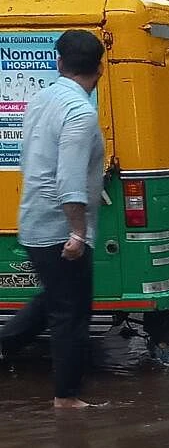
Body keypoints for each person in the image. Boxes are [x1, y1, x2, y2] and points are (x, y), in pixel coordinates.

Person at [0, 30, 105, 408]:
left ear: (59, 63)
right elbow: (69, 176)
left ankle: (6, 344)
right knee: (71, 314)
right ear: (100, 69)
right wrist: (77, 231)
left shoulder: (42, 99)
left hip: (33, 220)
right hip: (59, 228)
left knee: (55, 299)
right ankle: (67, 398)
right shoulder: (79, 112)